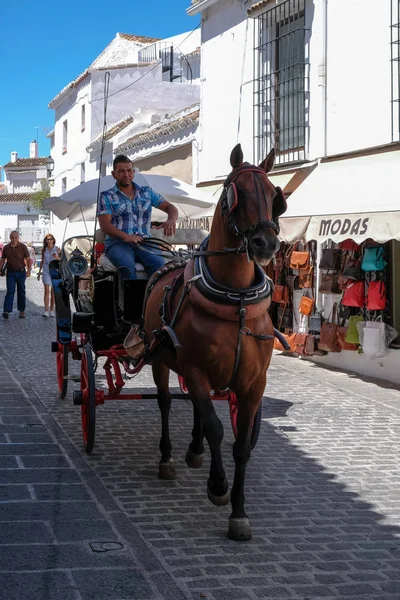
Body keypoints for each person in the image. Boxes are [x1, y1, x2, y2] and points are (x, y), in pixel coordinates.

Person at [97, 155, 178, 279]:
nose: (126, 174)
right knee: (126, 267)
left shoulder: (147, 192)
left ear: (133, 172)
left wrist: (171, 220)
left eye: (129, 170)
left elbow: (170, 207)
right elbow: (105, 226)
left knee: (158, 264)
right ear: (114, 174)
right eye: (121, 171)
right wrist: (126, 236)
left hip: (145, 241)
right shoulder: (107, 196)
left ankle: (152, 298)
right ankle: (130, 298)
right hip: (117, 242)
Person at [0, 231, 31, 319]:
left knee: (21, 291)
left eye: (16, 237)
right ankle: (6, 310)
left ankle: (22, 311)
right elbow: (2, 259)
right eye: (12, 237)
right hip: (10, 273)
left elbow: (28, 259)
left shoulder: (23, 247)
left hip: (21, 272)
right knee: (10, 291)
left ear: (18, 237)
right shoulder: (6, 248)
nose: (14, 239)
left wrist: (29, 270)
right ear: (10, 237)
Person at [37, 234, 60, 317]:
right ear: (46, 240)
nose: (49, 241)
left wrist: (57, 257)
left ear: (53, 240)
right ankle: (46, 310)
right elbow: (42, 261)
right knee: (46, 290)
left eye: (50, 239)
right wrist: (39, 272)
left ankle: (52, 310)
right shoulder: (44, 250)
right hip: (46, 270)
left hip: (54, 271)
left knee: (53, 291)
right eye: (47, 239)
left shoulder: (57, 249)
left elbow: (61, 260)